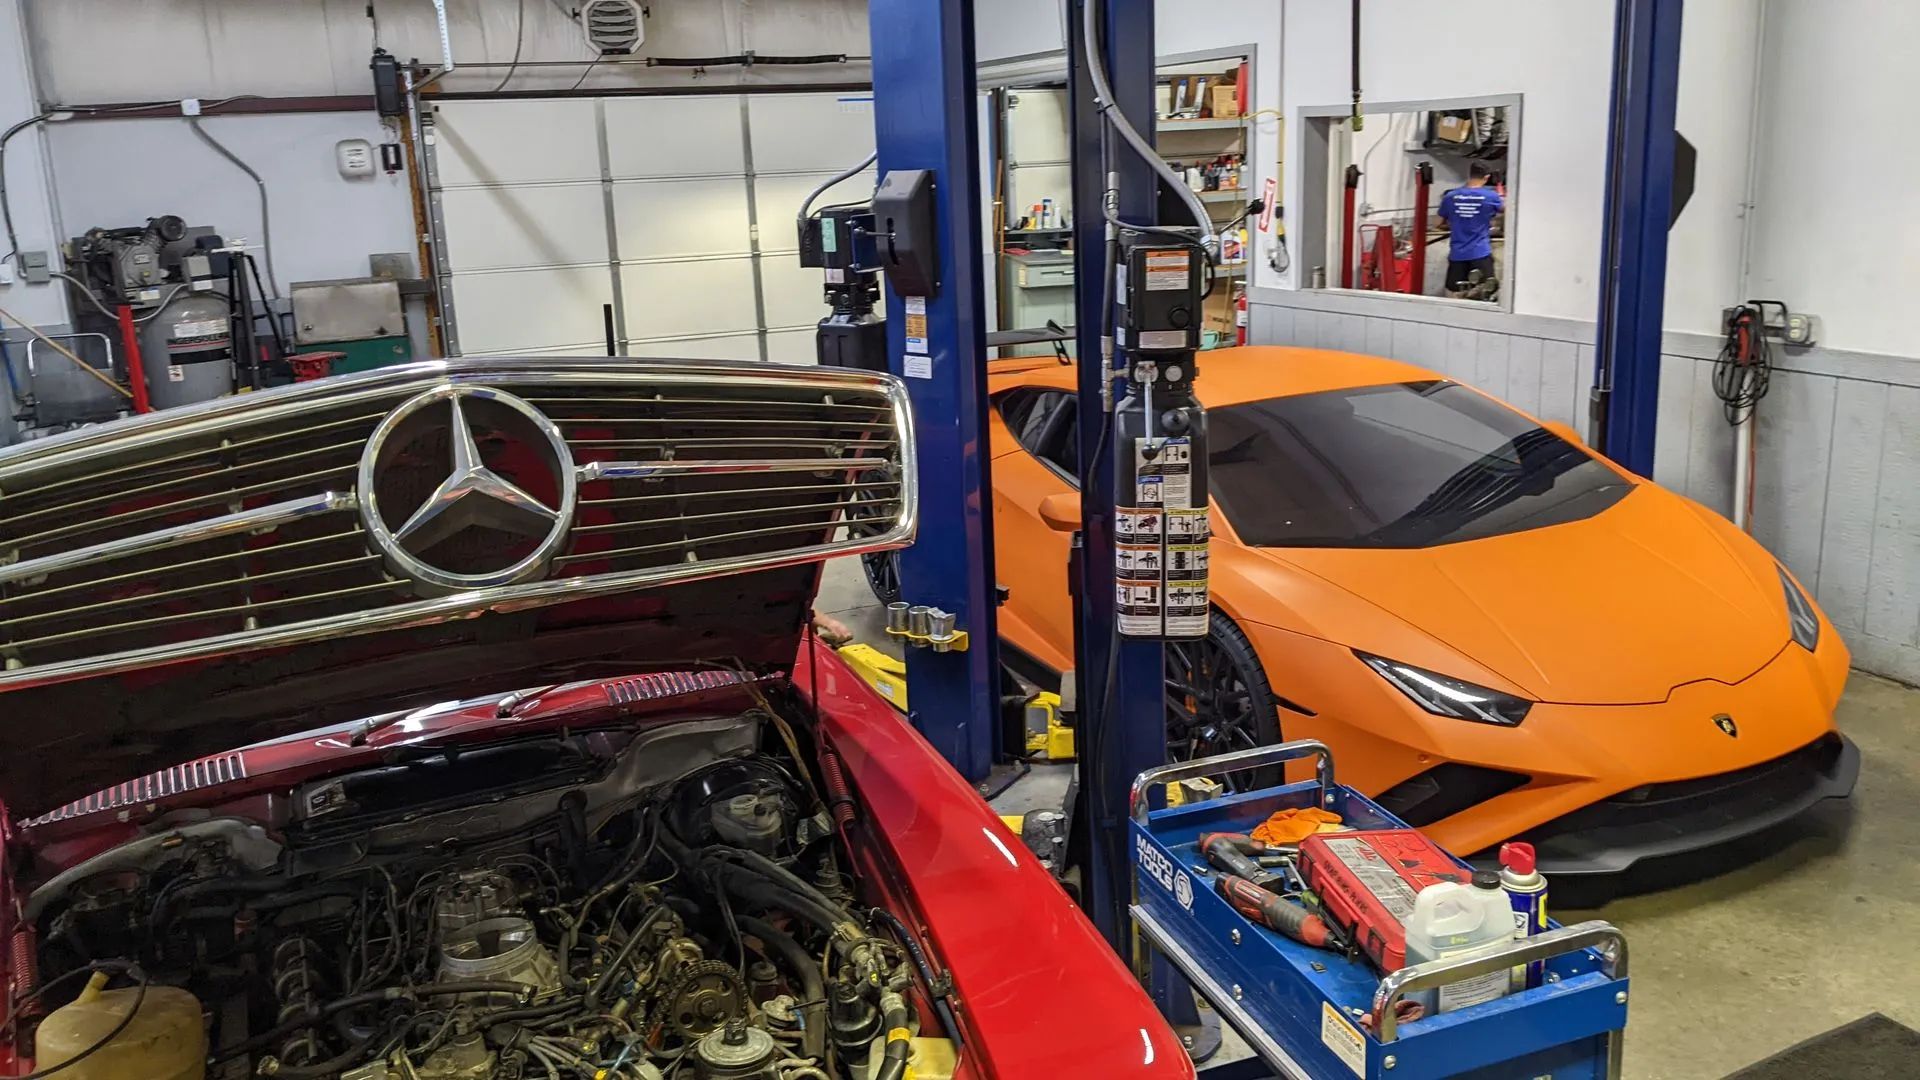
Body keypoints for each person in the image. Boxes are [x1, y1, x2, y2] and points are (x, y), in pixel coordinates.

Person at [1438, 163, 1504, 297]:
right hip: (1480, 253)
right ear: (1486, 177)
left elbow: (1439, 222)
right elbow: (1505, 211)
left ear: (1469, 175)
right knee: (1486, 293)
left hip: (1457, 254)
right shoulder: (1491, 196)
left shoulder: (1450, 196)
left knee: (1456, 294)